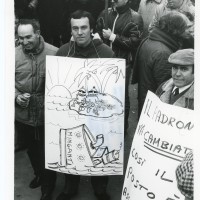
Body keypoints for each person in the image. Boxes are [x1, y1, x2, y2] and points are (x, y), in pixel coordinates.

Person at [55, 10, 114, 200]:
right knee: (71, 147)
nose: (79, 32)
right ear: (70, 30)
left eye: (83, 27)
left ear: (91, 29)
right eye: (75, 28)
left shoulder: (106, 53)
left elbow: (117, 88)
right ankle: (70, 187)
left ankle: (100, 188)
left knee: (99, 146)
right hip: (71, 114)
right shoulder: (63, 53)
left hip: (99, 114)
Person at [15, 19, 58, 200]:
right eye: (20, 38)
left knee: (48, 151)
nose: (24, 42)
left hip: (46, 115)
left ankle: (48, 184)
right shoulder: (12, 55)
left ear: (38, 33)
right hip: (23, 115)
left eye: (28, 37)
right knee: (31, 149)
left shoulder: (55, 53)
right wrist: (16, 95)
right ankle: (39, 174)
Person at [96, 0, 143, 135]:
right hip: (103, 60)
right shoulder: (104, 13)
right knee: (103, 92)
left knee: (121, 95)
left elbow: (134, 43)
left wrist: (112, 37)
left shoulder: (135, 18)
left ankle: (122, 128)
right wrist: (98, 37)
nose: (113, 0)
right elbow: (97, 31)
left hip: (123, 63)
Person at [132, 11, 192, 117]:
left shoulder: (151, 40)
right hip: (156, 110)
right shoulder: (163, 53)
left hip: (146, 100)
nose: (190, 30)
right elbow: (168, 89)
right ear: (175, 29)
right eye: (187, 27)